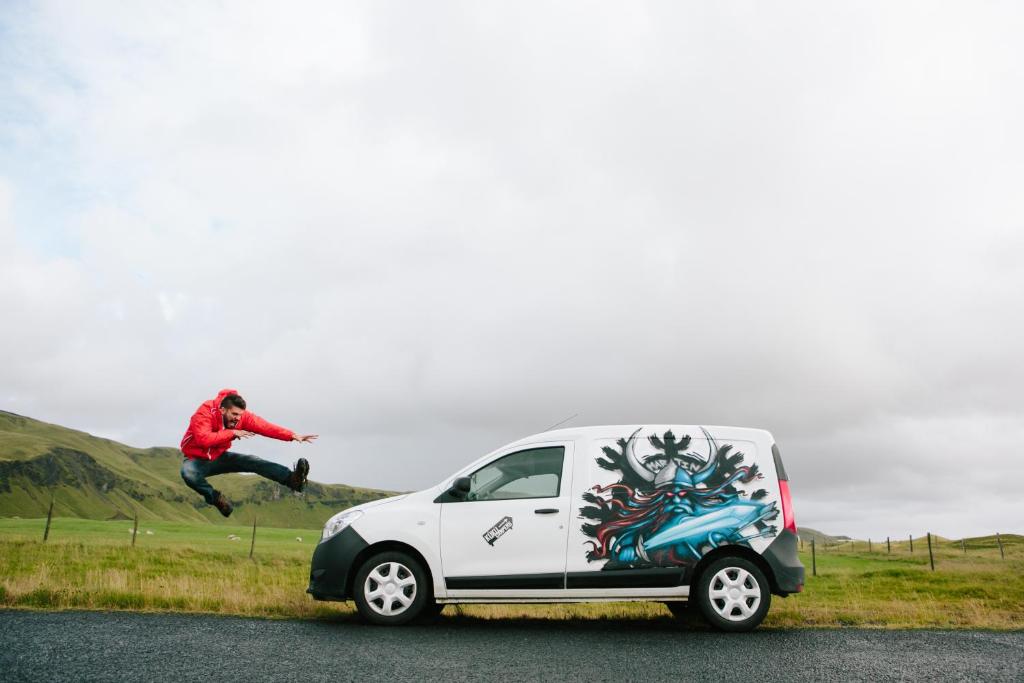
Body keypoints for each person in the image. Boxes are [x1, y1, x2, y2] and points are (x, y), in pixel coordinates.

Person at [180, 388, 318, 517]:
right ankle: (216, 499)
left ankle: (293, 480)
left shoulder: (241, 416)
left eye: (240, 415)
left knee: (253, 461)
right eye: (234, 414)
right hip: (196, 459)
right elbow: (204, 439)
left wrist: (291, 435)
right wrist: (232, 432)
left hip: (219, 456)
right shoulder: (205, 412)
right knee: (188, 474)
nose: (237, 419)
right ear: (222, 410)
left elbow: (265, 427)